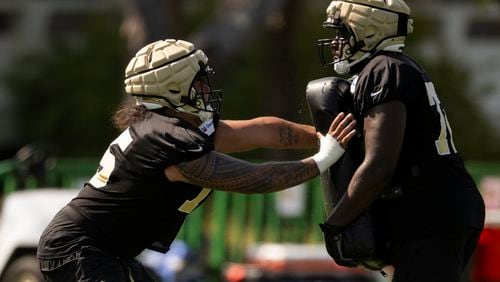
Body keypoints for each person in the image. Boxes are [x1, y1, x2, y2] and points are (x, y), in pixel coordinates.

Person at [37, 39, 356, 281]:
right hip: (78, 249)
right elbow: (254, 179)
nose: (206, 87)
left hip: (104, 248)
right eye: (198, 80)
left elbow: (264, 131)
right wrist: (323, 158)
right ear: (173, 87)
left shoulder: (174, 126)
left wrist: (325, 134)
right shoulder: (167, 138)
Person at [312, 1, 486, 281]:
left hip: (431, 214)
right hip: (438, 209)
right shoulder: (395, 67)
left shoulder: (384, 70)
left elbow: (379, 165)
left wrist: (336, 223)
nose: (335, 42)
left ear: (367, 31)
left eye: (342, 33)